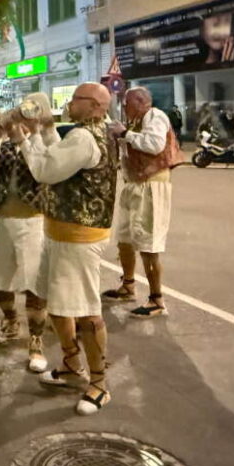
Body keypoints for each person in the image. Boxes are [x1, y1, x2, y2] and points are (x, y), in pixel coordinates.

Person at [19, 82, 118, 415]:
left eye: (76, 99)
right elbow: (59, 154)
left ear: (94, 106)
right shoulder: (86, 133)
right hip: (62, 232)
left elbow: (46, 169)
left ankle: (100, 384)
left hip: (78, 237)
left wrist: (26, 138)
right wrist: (45, 131)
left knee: (86, 309)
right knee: (59, 305)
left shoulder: (85, 137)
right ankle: (72, 364)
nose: (69, 103)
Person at [0, 93, 56, 373]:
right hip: (5, 220)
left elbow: (44, 171)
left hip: (34, 221)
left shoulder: (46, 141)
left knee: (34, 284)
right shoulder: (6, 143)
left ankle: (36, 340)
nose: (24, 116)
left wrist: (28, 136)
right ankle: (10, 321)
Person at [103, 87, 182, 319]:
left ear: (141, 101)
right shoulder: (135, 121)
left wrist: (125, 133)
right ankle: (128, 285)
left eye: (126, 102)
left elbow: (154, 145)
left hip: (151, 185)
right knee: (125, 239)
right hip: (133, 185)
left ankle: (156, 299)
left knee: (148, 244)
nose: (123, 107)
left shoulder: (154, 116)